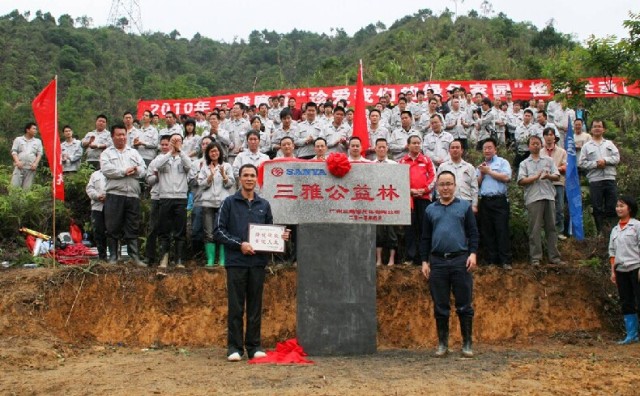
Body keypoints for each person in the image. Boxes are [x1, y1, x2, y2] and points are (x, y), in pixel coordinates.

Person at [215, 164, 289, 362]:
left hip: (257, 263)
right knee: (236, 306)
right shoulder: (229, 203)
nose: (249, 179)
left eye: (252, 176)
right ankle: (234, 348)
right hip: (236, 262)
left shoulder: (264, 205)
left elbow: (270, 231)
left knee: (255, 306)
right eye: (245, 175)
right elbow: (219, 231)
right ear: (239, 179)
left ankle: (254, 346)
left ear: (257, 179)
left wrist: (281, 236)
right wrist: (240, 245)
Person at [420, 171, 479, 358]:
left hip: (461, 261)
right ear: (437, 187)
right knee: (440, 305)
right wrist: (424, 261)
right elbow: (425, 237)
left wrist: (473, 254)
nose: (445, 187)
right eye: (442, 184)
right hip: (437, 262)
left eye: (449, 184)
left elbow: (473, 233)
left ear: (455, 186)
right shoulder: (430, 209)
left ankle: (467, 344)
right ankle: (442, 344)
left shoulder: (464, 207)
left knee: (464, 305)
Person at [100, 124, 147, 266]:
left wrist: (137, 170)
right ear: (112, 136)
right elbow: (107, 170)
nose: (122, 137)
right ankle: (114, 256)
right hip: (115, 194)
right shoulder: (107, 153)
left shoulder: (133, 153)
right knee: (112, 226)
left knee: (132, 225)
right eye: (119, 135)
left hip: (132, 194)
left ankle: (135, 257)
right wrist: (123, 171)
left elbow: (144, 169)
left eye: (124, 134)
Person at [517, 135, 565, 266]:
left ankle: (554, 257)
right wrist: (535, 177)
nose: (536, 145)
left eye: (538, 143)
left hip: (548, 196)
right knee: (535, 229)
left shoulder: (549, 161)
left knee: (551, 228)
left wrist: (548, 176)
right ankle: (535, 258)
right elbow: (521, 180)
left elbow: (557, 175)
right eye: (533, 143)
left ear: (541, 145)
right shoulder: (524, 163)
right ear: (529, 146)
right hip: (533, 198)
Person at [151, 133, 192, 268]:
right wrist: (170, 152)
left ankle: (179, 259)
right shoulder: (162, 158)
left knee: (180, 230)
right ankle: (164, 259)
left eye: (178, 141)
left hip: (180, 198)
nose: (175, 143)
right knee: (164, 229)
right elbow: (157, 165)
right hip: (165, 197)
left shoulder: (183, 158)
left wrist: (179, 151)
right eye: (173, 141)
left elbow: (189, 165)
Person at [578, 119, 620, 235]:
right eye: (595, 126)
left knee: (612, 206)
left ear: (603, 129)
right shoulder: (586, 146)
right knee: (597, 207)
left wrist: (605, 161)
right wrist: (596, 164)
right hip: (595, 180)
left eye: (599, 126)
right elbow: (581, 163)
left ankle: (612, 231)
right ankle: (600, 232)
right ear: (591, 129)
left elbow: (617, 158)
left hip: (609, 178)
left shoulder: (609, 144)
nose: (597, 128)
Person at [400, 135, 436, 265]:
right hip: (409, 199)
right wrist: (409, 191)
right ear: (408, 145)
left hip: (424, 198)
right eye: (414, 143)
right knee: (410, 229)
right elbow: (399, 180)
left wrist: (424, 190)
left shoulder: (427, 160)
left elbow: (433, 177)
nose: (416, 145)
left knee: (424, 228)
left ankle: (424, 257)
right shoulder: (403, 161)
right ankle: (411, 257)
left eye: (418, 143)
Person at [477, 138, 513, 269]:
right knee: (487, 231)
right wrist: (482, 174)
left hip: (499, 200)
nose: (487, 150)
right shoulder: (481, 166)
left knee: (502, 230)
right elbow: (477, 185)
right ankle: (492, 260)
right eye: (485, 148)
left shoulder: (502, 162)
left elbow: (507, 178)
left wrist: (490, 172)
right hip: (485, 201)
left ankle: (505, 261)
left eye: (489, 147)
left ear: (495, 149)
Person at [609, 196, 640, 344]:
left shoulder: (637, 226)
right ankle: (631, 334)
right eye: (617, 206)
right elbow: (612, 252)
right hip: (621, 270)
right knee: (626, 301)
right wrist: (613, 271)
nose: (618, 209)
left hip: (636, 268)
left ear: (630, 208)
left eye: (622, 206)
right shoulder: (615, 230)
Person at [198, 141, 235, 267]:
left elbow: (230, 184)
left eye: (216, 151)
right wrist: (210, 176)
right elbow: (201, 185)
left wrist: (223, 174)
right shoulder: (204, 167)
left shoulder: (227, 166)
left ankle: (222, 260)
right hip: (208, 203)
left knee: (223, 231)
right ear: (208, 153)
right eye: (212, 151)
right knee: (209, 232)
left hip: (223, 203)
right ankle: (210, 260)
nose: (214, 153)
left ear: (220, 153)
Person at [145, 135, 172, 265]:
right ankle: (149, 257)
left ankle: (166, 257)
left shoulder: (176, 159)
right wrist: (155, 177)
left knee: (167, 228)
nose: (165, 147)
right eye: (163, 144)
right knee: (153, 227)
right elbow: (148, 180)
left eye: (167, 144)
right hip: (157, 196)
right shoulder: (155, 161)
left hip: (171, 198)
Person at [373, 138, 398, 266]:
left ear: (387, 148)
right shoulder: (371, 165)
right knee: (378, 231)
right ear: (375, 148)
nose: (381, 149)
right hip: (376, 202)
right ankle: (379, 259)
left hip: (391, 200)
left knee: (391, 230)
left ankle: (391, 259)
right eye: (379, 147)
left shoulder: (394, 165)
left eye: (384, 147)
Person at [540, 128, 568, 239]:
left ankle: (559, 230)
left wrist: (556, 169)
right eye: (546, 135)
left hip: (558, 182)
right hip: (544, 183)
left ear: (554, 137)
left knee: (559, 207)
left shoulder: (562, 152)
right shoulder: (540, 152)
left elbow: (566, 166)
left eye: (550, 134)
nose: (548, 137)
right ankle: (547, 231)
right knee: (545, 207)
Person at [438, 139, 479, 213]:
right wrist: (440, 202)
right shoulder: (443, 167)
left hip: (466, 202)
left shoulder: (469, 167)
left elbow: (474, 188)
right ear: (449, 151)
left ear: (462, 150)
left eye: (457, 147)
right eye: (453, 148)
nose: (455, 150)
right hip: (448, 203)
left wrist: (474, 205)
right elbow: (438, 186)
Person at [10, 122, 43, 189]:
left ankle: (25, 199)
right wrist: (17, 162)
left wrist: (35, 164)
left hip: (31, 168)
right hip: (19, 167)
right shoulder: (18, 139)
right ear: (28, 130)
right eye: (33, 129)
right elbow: (14, 151)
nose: (35, 131)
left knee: (27, 189)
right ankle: (13, 199)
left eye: (36, 129)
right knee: (14, 187)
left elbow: (39, 153)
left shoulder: (38, 141)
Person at [85, 169, 107, 260]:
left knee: (113, 231)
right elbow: (89, 189)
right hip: (97, 206)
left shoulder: (115, 173)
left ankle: (115, 256)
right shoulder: (95, 174)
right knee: (98, 231)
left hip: (112, 206)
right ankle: (102, 256)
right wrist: (97, 196)